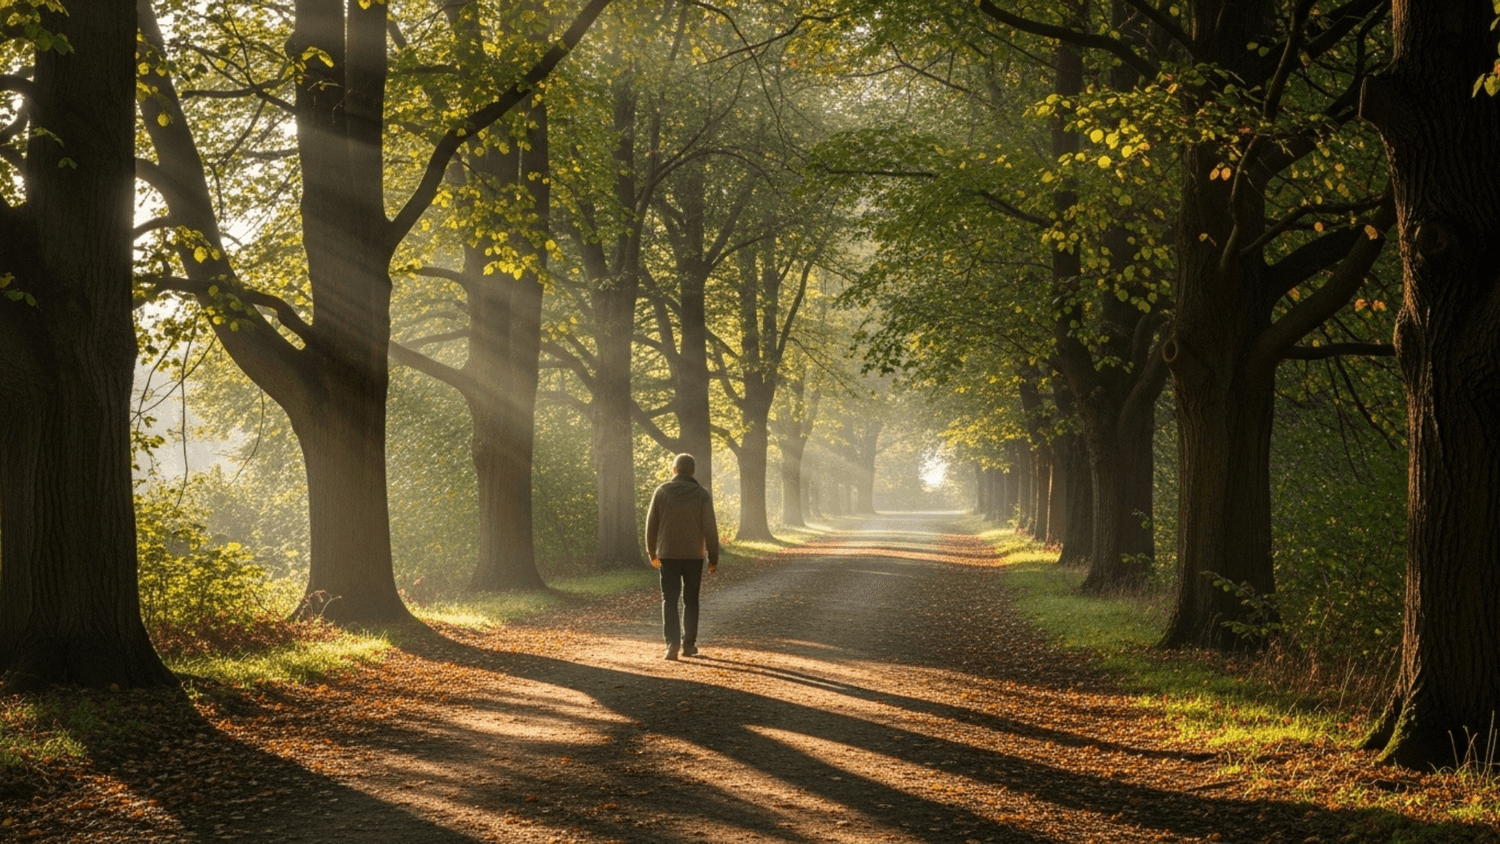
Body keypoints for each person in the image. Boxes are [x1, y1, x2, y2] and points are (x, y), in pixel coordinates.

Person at [644, 453, 720, 661]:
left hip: (667, 555)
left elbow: (651, 527)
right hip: (694, 556)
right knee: (691, 600)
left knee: (669, 599)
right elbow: (710, 529)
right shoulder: (702, 495)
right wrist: (713, 558)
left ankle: (672, 645)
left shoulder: (661, 492)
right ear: (693, 471)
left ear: (674, 470)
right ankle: (689, 645)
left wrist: (653, 555)